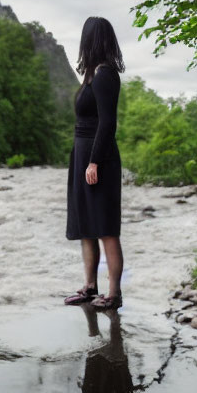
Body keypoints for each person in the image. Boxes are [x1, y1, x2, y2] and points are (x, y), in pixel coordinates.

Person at [64, 17, 124, 310]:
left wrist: (94, 162)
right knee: (86, 225)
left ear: (91, 40)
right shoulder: (91, 75)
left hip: (98, 159)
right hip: (82, 155)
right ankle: (90, 287)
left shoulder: (105, 75)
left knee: (105, 227)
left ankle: (113, 294)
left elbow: (108, 123)